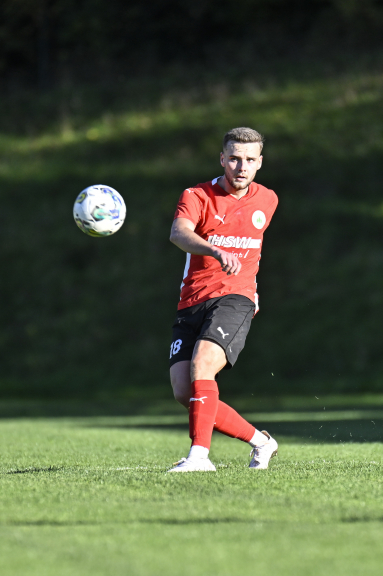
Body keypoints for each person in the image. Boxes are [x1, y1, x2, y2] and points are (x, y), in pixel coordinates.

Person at [167, 127, 279, 472]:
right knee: (185, 392)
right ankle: (262, 442)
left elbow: (252, 248)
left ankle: (199, 457)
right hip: (192, 300)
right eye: (234, 158)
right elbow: (179, 233)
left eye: (249, 160)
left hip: (235, 298)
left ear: (260, 162)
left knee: (203, 366)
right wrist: (214, 250)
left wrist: (251, 288)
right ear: (222, 159)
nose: (241, 167)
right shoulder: (197, 195)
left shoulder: (268, 199)